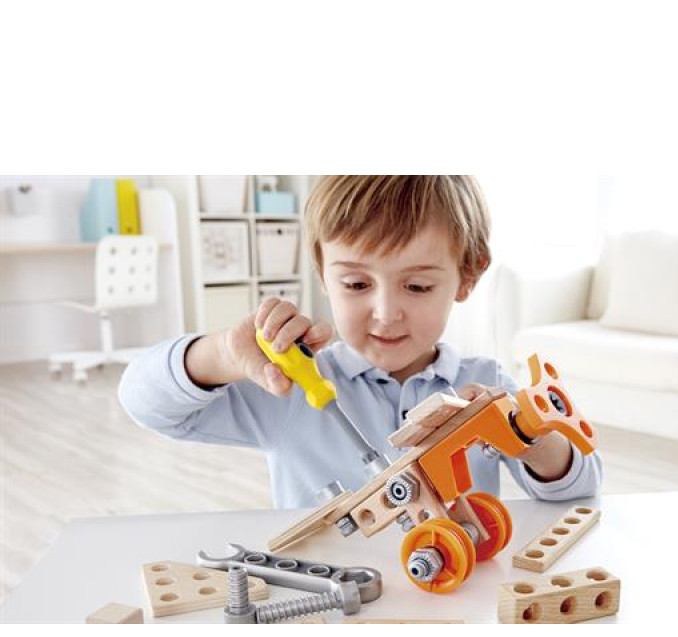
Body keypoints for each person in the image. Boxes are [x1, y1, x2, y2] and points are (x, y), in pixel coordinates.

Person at [119, 175, 602, 509]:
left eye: (417, 286)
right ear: (322, 273)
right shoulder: (290, 386)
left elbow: (579, 490)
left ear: (468, 276)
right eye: (356, 284)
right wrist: (222, 354)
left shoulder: (486, 383)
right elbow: (145, 404)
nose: (386, 313)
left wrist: (531, 439)